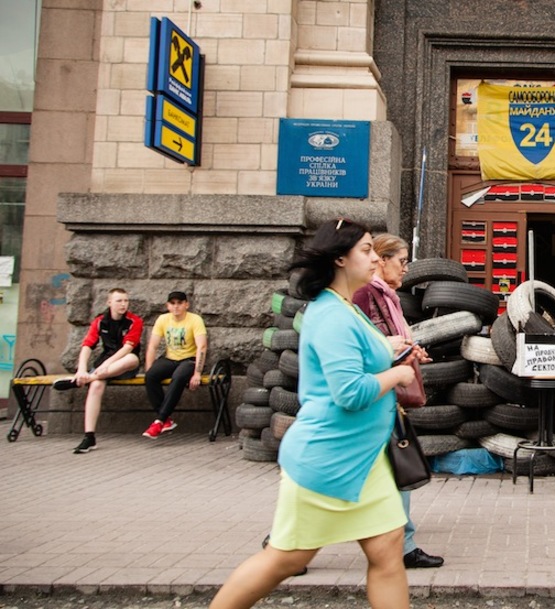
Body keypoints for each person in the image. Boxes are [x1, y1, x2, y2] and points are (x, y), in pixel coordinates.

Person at [209, 218, 416, 609]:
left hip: (364, 462)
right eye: (366, 250)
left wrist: (391, 349)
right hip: (327, 459)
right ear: (340, 259)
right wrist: (398, 374)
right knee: (286, 560)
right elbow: (350, 393)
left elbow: (357, 355)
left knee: (388, 551)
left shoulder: (346, 307)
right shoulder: (331, 315)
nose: (376, 258)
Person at [353, 233, 444, 569]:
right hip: (372, 396)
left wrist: (409, 351)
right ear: (381, 259)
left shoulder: (388, 296)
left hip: (386, 396)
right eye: (402, 261)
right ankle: (286, 540)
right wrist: (397, 352)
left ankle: (403, 544)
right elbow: (363, 345)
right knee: (385, 469)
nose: (406, 269)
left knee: (394, 470)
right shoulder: (364, 294)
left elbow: (389, 341)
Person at [54, 287, 144, 454]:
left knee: (132, 359)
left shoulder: (134, 321)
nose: (123, 304)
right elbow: (87, 345)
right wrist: (81, 369)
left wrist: (106, 365)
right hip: (103, 365)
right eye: (119, 301)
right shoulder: (100, 321)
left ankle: (84, 381)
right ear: (109, 302)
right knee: (96, 386)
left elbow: (127, 348)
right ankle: (89, 437)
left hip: (123, 363)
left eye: (126, 301)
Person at [142, 291, 208, 439]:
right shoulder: (163, 319)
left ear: (186, 305)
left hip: (189, 360)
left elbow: (202, 346)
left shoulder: (195, 320)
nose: (176, 306)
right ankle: (166, 420)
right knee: (151, 376)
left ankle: (159, 420)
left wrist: (197, 373)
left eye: (179, 303)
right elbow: (152, 346)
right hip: (170, 359)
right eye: (172, 303)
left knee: (178, 377)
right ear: (168, 306)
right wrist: (149, 369)